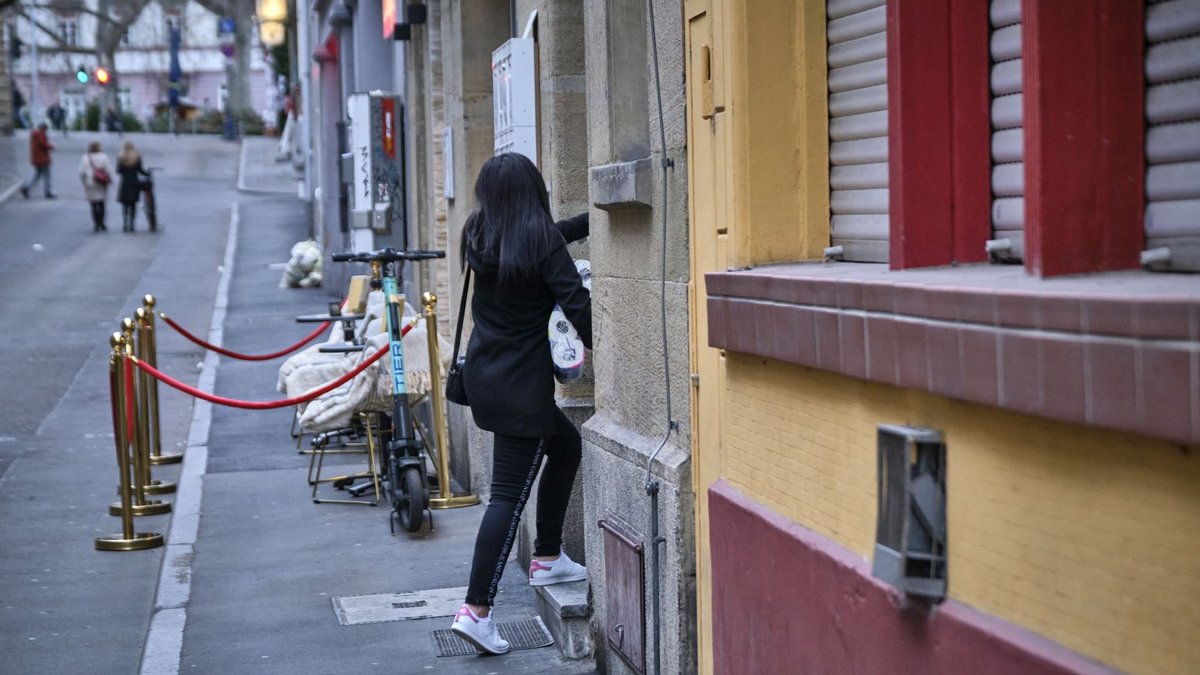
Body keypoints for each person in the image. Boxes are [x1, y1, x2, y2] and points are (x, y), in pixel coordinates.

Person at [449, 153, 592, 656]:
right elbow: (576, 303)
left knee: (567, 444)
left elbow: (537, 240)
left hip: (486, 377)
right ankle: (476, 610)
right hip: (522, 389)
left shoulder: (478, 234)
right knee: (507, 499)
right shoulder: (538, 241)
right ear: (532, 190)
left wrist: (586, 223)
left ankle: (548, 554)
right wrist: (609, 351)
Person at [115, 141, 150, 232]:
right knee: (133, 204)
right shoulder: (137, 157)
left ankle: (125, 223)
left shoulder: (121, 157)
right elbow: (140, 170)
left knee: (125, 205)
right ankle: (132, 224)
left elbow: (118, 171)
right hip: (134, 181)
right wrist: (147, 174)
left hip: (125, 182)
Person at [78, 142, 112, 233]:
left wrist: (84, 182)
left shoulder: (85, 158)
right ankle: (102, 222)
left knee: (93, 204)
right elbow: (108, 170)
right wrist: (108, 180)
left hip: (90, 182)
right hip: (101, 182)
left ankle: (96, 224)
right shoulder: (104, 157)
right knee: (102, 203)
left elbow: (81, 172)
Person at [19, 123, 56, 199]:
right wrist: (52, 146)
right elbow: (44, 145)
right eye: (46, 129)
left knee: (37, 176)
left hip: (37, 159)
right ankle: (47, 192)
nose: (46, 131)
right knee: (47, 176)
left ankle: (27, 189)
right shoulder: (39, 134)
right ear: (43, 128)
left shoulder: (34, 134)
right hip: (42, 159)